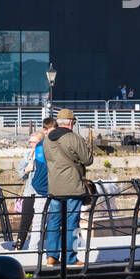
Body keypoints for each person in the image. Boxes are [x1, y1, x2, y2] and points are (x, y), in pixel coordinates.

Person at [42, 108, 94, 266]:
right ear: (71, 122)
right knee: (72, 222)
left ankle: (51, 256)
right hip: (72, 186)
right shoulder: (74, 138)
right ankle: (70, 258)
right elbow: (88, 160)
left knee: (53, 221)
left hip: (54, 187)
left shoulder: (47, 140)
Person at [17, 117, 55, 250]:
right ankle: (19, 245)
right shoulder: (27, 155)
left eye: (33, 142)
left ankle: (43, 246)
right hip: (29, 191)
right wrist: (27, 169)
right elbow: (20, 174)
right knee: (26, 220)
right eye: (29, 142)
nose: (31, 144)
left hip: (40, 189)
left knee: (43, 220)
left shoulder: (44, 151)